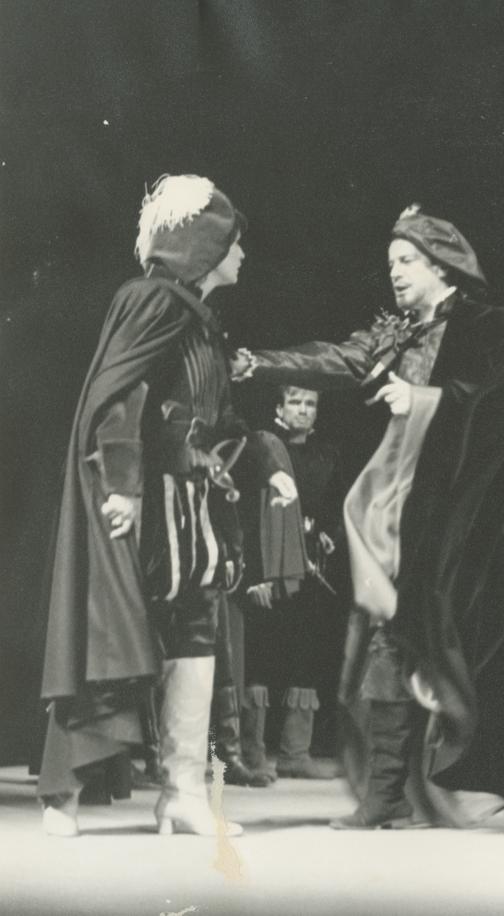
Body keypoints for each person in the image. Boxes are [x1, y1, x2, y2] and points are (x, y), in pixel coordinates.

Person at [233, 205, 504, 832]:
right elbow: (337, 359)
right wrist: (261, 362)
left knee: (481, 648)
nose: (395, 272)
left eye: (407, 260)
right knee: (388, 633)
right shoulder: (398, 332)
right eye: (390, 262)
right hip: (397, 506)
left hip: (461, 513)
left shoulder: (492, 326)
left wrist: (423, 398)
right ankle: (387, 792)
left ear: (442, 265)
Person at [38, 174, 296, 837]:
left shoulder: (198, 322)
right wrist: (122, 487)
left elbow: (221, 420)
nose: (243, 254)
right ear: (205, 247)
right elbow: (117, 399)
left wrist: (269, 466)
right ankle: (62, 794)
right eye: (234, 242)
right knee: (113, 636)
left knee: (196, 633)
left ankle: (182, 791)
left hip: (192, 506)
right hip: (148, 504)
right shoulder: (152, 300)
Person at [236, 386, 345, 781]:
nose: (303, 410)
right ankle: (251, 752)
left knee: (306, 656)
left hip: (310, 569)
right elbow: (247, 513)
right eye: (295, 402)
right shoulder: (260, 450)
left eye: (310, 404)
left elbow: (334, 505)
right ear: (279, 407)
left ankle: (295, 754)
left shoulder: (328, 454)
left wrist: (329, 531)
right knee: (260, 654)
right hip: (267, 565)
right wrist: (255, 574)